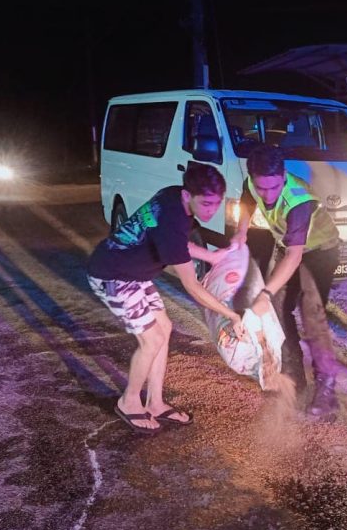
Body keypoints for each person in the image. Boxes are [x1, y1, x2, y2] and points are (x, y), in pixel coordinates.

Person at [87, 163, 245, 434]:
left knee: (165, 329)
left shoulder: (173, 197)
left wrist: (210, 256)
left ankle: (156, 403)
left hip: (134, 273)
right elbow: (193, 288)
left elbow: (179, 244)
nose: (211, 210)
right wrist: (231, 315)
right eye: (205, 204)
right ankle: (129, 401)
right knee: (151, 340)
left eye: (216, 204)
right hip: (112, 275)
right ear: (187, 195)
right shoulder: (173, 220)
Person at [231, 144, 342, 420]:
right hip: (289, 246)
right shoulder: (254, 182)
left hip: (319, 253)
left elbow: (294, 257)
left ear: (284, 176)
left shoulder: (298, 200)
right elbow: (247, 199)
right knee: (279, 312)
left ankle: (327, 391)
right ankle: (293, 376)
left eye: (274, 187)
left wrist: (266, 292)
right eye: (262, 188)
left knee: (312, 316)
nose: (268, 195)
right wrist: (241, 232)